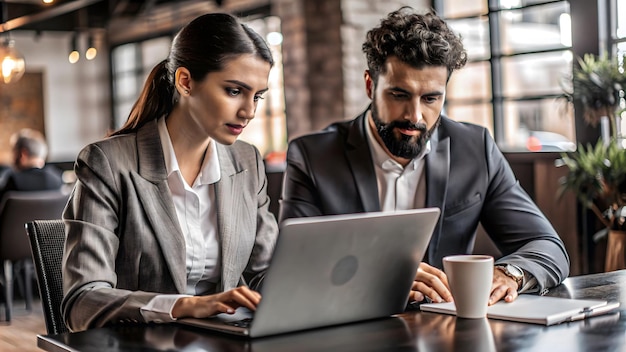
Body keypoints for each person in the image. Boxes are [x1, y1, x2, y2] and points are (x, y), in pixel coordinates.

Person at [279, 7, 569, 307]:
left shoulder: (475, 149)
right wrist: (378, 279)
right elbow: (290, 272)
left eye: (431, 98)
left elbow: (548, 247)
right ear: (370, 86)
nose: (415, 116)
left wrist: (509, 273)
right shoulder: (313, 157)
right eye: (399, 95)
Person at [62, 13, 278, 332]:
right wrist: (183, 306)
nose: (249, 111)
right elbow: (82, 301)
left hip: (225, 340)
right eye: (234, 91)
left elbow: (265, 272)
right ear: (185, 81)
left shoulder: (248, 162)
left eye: (257, 96)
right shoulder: (107, 163)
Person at [0, 128, 63, 199]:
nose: (12, 157)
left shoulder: (14, 181)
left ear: (23, 154)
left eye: (14, 152)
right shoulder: (56, 178)